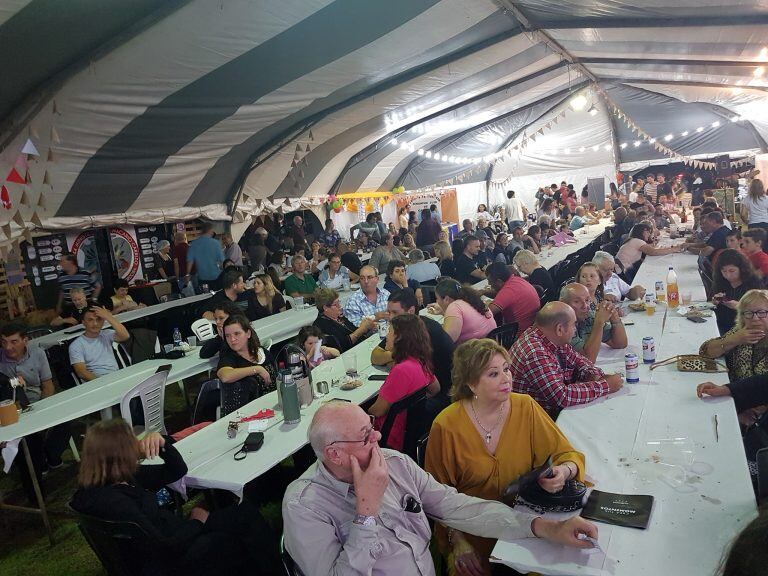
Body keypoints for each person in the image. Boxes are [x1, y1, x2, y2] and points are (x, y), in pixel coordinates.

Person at [282, 401, 598, 576]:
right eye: (366, 436)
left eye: (373, 427)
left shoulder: (394, 463)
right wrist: (366, 514)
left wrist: (544, 527)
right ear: (336, 454)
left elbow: (459, 508)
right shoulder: (303, 506)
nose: (378, 439)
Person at [425, 339, 586, 576]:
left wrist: (564, 471)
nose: (506, 378)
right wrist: (456, 540)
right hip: (473, 529)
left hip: (527, 518)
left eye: (506, 369)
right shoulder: (447, 426)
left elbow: (567, 454)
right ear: (471, 383)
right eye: (493, 374)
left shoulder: (525, 407)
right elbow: (436, 497)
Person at [71, 420, 280, 576]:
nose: (137, 444)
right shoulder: (116, 502)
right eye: (131, 443)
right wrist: (197, 522)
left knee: (243, 515)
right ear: (120, 453)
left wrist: (162, 445)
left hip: (174, 537)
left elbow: (176, 471)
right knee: (244, 526)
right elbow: (165, 547)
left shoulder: (109, 481)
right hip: (176, 559)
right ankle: (276, 567)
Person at [508, 302, 622, 415]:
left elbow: (581, 362)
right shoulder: (535, 353)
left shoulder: (553, 339)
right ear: (560, 329)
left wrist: (593, 375)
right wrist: (605, 385)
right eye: (574, 324)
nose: (575, 330)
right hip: (538, 420)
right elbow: (562, 397)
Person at [1, 323, 72, 480]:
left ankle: (50, 456)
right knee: (28, 436)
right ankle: (39, 462)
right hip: (12, 407)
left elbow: (47, 385)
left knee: (66, 420)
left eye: (13, 342)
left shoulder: (37, 353)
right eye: (4, 342)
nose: (8, 347)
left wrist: (41, 410)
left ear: (25, 340)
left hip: (38, 399)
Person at [368, 314, 440, 451]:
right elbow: (435, 388)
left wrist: (364, 412)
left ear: (399, 337)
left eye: (389, 332)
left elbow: (378, 410)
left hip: (389, 437)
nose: (386, 337)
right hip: (410, 431)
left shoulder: (401, 370)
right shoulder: (420, 361)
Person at [371, 289, 455, 406]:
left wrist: (393, 357)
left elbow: (402, 367)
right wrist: (395, 355)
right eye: (389, 312)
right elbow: (375, 356)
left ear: (411, 311)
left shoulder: (423, 332)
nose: (390, 318)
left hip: (444, 395)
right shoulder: (406, 328)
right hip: (429, 389)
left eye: (395, 312)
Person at [216, 315, 276, 414]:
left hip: (272, 406)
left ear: (248, 333)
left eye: (237, 334)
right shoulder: (228, 358)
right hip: (246, 414)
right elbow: (225, 376)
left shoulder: (263, 352)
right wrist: (257, 369)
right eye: (228, 336)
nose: (232, 339)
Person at [560, 284, 628, 363]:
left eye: (587, 300)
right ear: (563, 302)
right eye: (577, 301)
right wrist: (599, 322)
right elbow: (588, 360)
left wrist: (614, 316)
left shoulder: (588, 315)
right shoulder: (562, 325)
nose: (585, 306)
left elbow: (620, 344)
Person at [69, 306, 131, 381]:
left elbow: (125, 336)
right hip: (96, 381)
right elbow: (82, 372)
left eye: (98, 319)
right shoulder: (76, 345)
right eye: (90, 320)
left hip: (116, 376)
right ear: (83, 322)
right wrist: (102, 383)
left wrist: (108, 316)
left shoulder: (106, 334)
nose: (95, 323)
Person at [711, 250, 764, 335]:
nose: (727, 275)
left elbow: (761, 311)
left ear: (742, 269)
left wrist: (740, 306)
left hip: (745, 329)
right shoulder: (720, 281)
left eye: (732, 271)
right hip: (722, 325)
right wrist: (716, 301)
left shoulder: (753, 283)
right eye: (724, 271)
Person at [428, 279, 496, 344]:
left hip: (476, 351)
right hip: (492, 344)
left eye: (437, 298)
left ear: (446, 299)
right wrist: (443, 312)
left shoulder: (454, 306)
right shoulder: (472, 299)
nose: (437, 301)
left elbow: (448, 341)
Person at [486, 262, 540, 332]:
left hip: (518, 333)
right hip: (532, 324)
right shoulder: (516, 280)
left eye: (490, 281)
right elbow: (500, 295)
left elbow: (488, 314)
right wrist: (483, 292)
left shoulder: (507, 291)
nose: (489, 284)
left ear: (499, 281)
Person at [616, 222, 683, 275]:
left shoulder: (633, 240)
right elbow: (653, 252)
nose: (649, 234)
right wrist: (674, 249)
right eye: (648, 232)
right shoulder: (637, 241)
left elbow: (649, 247)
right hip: (621, 272)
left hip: (622, 269)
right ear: (641, 232)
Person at [186, 222, 225, 291]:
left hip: (202, 277)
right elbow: (222, 261)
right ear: (210, 230)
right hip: (216, 276)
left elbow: (190, 261)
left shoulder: (194, 244)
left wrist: (187, 274)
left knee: (205, 297)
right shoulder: (216, 243)